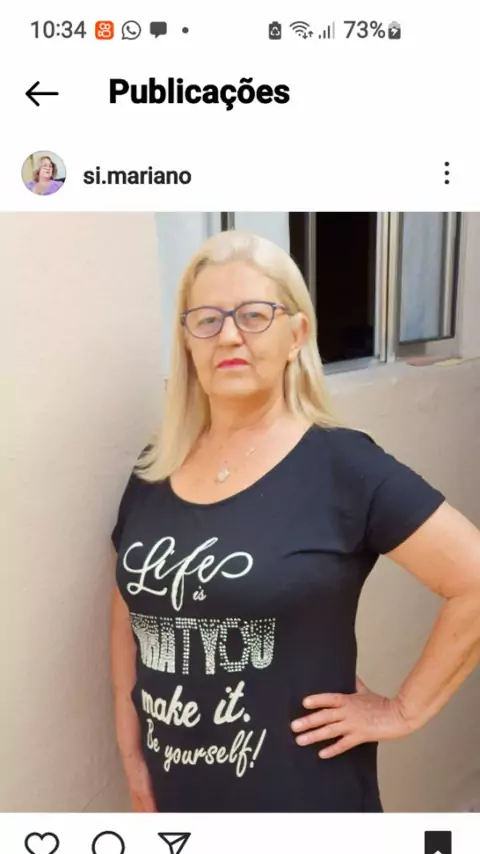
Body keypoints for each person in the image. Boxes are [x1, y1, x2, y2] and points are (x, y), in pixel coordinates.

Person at [110, 230, 480, 813]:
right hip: (178, 798)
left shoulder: (342, 466)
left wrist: (404, 711)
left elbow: (473, 579)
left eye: (254, 315)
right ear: (186, 341)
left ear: (296, 334)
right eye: (206, 320)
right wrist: (132, 754)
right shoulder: (154, 468)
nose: (228, 335)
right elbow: (127, 613)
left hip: (303, 798)